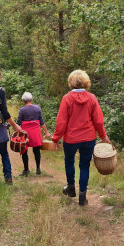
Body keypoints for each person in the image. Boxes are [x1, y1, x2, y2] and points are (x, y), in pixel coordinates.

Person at [51, 69, 111, 206]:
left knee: (69, 161)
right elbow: (98, 121)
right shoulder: (92, 98)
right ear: (86, 82)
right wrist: (103, 136)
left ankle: (71, 188)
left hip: (71, 139)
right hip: (88, 138)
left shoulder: (67, 99)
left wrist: (55, 138)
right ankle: (82, 197)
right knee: (84, 166)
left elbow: (61, 122)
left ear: (71, 82)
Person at [16, 92, 51, 176]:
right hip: (35, 131)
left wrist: (17, 134)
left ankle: (26, 169)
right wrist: (46, 132)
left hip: (25, 132)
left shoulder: (22, 110)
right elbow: (42, 122)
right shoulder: (37, 108)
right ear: (31, 99)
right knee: (36, 150)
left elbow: (18, 123)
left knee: (24, 150)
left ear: (23, 101)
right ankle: (38, 168)